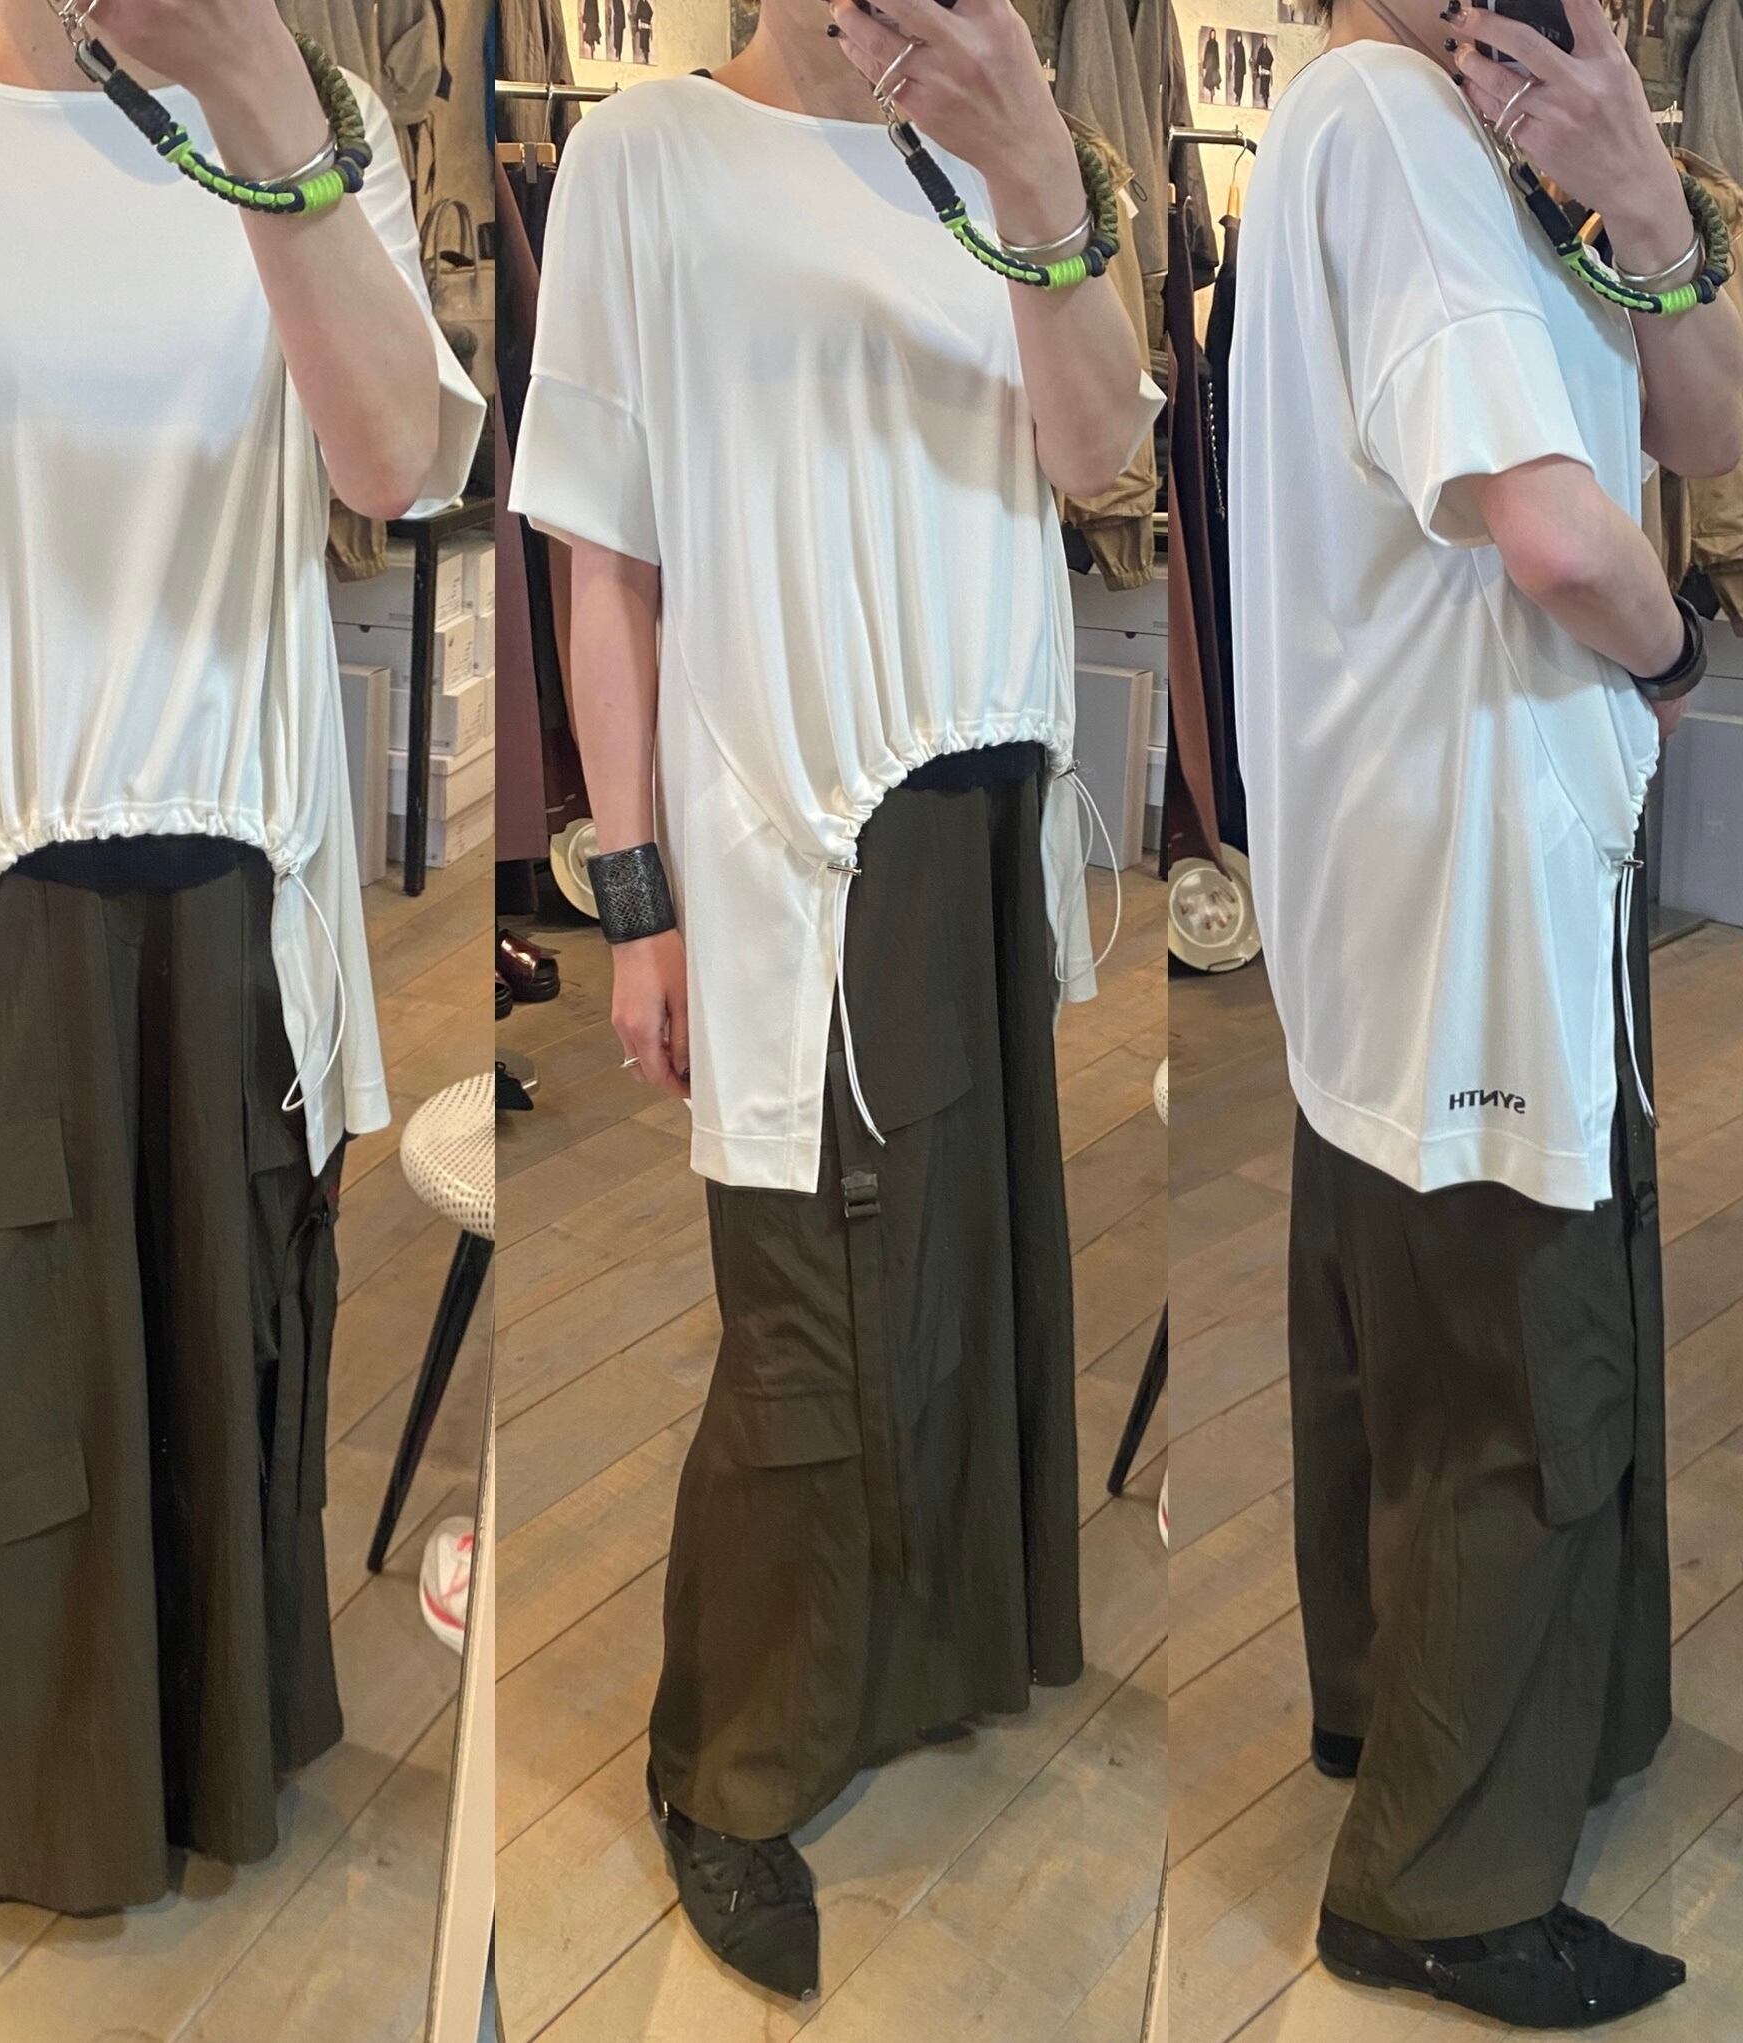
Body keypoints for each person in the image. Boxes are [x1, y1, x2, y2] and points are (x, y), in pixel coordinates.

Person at [0, 0, 483, 2036]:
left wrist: (261, 107)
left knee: (222, 1320)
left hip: (233, 872)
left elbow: (394, 465)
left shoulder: (309, 123)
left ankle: (187, 1760)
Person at [510, 0, 1158, 2003]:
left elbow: (1100, 460)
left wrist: (1035, 171)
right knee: (803, 1304)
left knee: (959, 1258)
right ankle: (727, 1757)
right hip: (789, 821)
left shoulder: (1011, 149)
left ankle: (917, 1654)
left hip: (985, 798)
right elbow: (603, 561)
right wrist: (634, 901)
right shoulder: (645, 158)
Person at [1230, 0, 1743, 2024]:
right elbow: (1551, 527)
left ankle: (1404, 1713)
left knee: (1419, 1319)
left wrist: (1641, 201)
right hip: (1470, 852)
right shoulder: (1390, 120)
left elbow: (1705, 426)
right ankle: (1436, 1884)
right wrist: (1674, 648)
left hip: (1429, 844)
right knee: (1522, 1350)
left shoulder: (1476, 134)